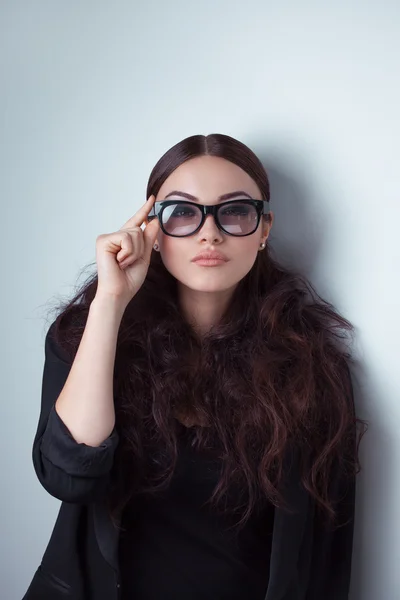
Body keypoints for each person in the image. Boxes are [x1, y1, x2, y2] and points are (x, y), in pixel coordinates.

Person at [23, 133, 366, 600]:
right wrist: (110, 301)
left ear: (264, 229)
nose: (210, 232)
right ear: (152, 230)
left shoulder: (312, 368)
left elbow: (330, 551)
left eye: (235, 211)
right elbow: (69, 474)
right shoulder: (86, 337)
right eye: (182, 212)